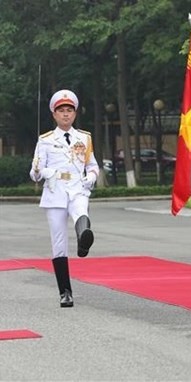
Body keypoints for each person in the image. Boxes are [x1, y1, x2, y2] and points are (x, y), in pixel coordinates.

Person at [29, 89, 99, 308]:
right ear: (54, 114)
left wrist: (92, 176)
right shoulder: (46, 140)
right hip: (55, 191)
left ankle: (83, 240)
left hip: (78, 188)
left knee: (81, 212)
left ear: (75, 114)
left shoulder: (84, 138)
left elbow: (93, 164)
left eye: (69, 110)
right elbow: (35, 172)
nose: (66, 114)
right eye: (61, 111)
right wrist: (40, 172)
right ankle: (65, 292)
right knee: (58, 242)